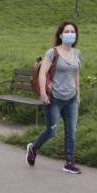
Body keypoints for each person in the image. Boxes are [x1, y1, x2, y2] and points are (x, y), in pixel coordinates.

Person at [26, 20, 83, 174]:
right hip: (54, 98)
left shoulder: (77, 53)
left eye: (72, 32)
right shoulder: (52, 52)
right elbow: (43, 72)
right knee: (52, 130)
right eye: (67, 32)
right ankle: (33, 149)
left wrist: (78, 93)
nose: (70, 34)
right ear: (60, 34)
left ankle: (69, 162)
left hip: (71, 98)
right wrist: (43, 93)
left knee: (71, 131)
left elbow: (76, 73)